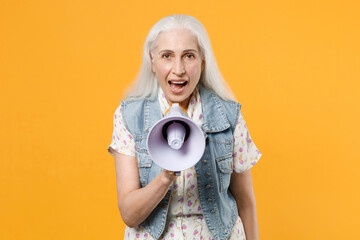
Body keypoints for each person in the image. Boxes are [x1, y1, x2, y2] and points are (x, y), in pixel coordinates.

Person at [108, 14, 262, 240]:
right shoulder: (130, 117)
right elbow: (130, 214)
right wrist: (166, 176)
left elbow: (246, 202)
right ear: (152, 61)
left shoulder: (228, 116)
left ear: (202, 61)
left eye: (189, 56)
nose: (178, 69)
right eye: (166, 56)